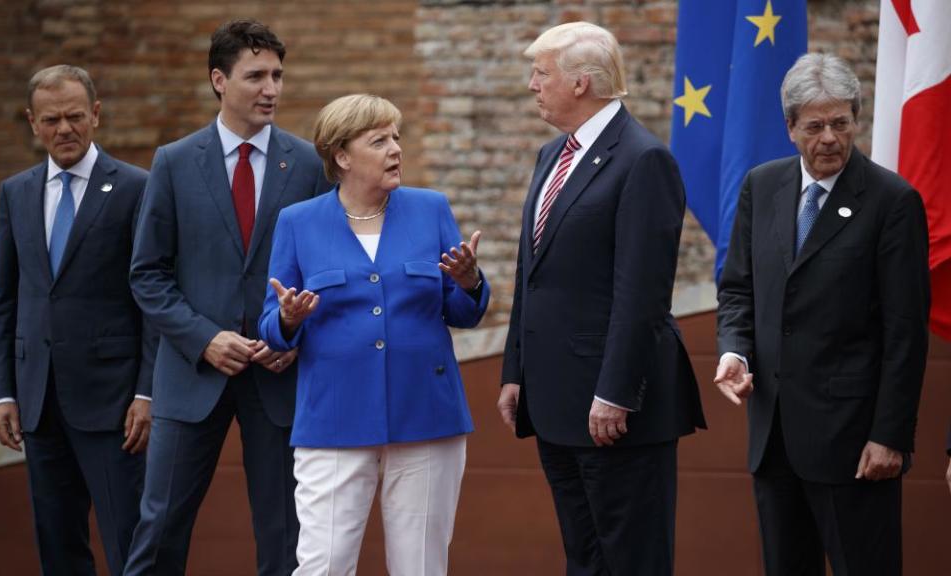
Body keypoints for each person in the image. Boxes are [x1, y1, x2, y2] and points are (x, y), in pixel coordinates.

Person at [497, 22, 706, 575]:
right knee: (583, 559)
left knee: (631, 560)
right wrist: (516, 369)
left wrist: (615, 392)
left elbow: (641, 290)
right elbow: (532, 273)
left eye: (541, 74)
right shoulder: (551, 155)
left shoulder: (642, 159)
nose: (531, 85)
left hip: (613, 410)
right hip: (554, 403)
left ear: (581, 83)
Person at [125, 20, 330, 575]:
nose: (272, 89)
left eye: (278, 76)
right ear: (219, 79)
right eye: (256, 76)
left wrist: (293, 336)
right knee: (159, 527)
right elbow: (147, 274)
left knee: (286, 535)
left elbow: (326, 272)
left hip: (279, 379)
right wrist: (205, 338)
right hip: (192, 376)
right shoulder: (172, 161)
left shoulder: (308, 164)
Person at [715, 53, 930, 576]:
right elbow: (739, 290)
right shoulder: (761, 187)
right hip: (774, 438)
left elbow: (905, 332)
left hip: (855, 445)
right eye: (814, 126)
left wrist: (890, 437)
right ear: (790, 128)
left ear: (857, 119)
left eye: (841, 122)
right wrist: (734, 351)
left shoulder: (892, 201)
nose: (829, 137)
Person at [258, 93, 489, 575]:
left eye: (397, 138)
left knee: (420, 566)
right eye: (379, 140)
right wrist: (288, 320)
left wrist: (470, 282)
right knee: (323, 564)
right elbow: (272, 328)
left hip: (426, 413)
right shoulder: (299, 223)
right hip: (335, 417)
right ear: (341, 156)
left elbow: (463, 313)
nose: (395, 150)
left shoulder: (431, 210)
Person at [0, 65, 154, 575]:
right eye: (52, 119)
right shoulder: (16, 192)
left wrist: (147, 393)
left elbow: (151, 298)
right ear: (32, 122)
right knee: (58, 549)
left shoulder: (134, 188)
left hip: (114, 407)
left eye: (75, 116)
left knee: (131, 546)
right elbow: (6, 299)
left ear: (96, 115)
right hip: (38, 404)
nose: (65, 129)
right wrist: (3, 392)